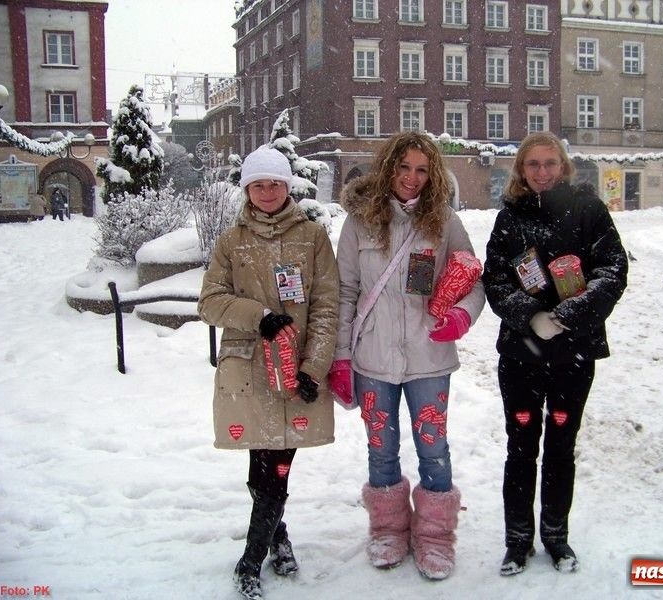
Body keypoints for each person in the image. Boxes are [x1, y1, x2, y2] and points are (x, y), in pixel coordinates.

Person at [330, 132, 485, 580]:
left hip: (430, 359)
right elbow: (345, 291)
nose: (412, 179)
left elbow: (473, 279)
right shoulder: (359, 222)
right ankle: (389, 528)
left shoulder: (446, 221)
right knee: (382, 448)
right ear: (388, 168)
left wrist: (461, 316)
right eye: (403, 168)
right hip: (373, 358)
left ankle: (435, 535)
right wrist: (341, 358)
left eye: (421, 170)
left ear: (432, 174)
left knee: (433, 448)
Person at [482, 132, 628, 575]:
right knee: (521, 446)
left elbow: (613, 270)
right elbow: (496, 279)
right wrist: (529, 316)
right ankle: (518, 540)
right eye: (533, 165)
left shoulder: (589, 211)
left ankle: (556, 536)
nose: (542, 172)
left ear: (563, 166)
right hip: (522, 356)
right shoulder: (510, 219)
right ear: (521, 171)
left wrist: (569, 314)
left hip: (573, 355)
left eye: (550, 163)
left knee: (562, 446)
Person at [197, 146, 339, 600]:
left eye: (274, 183)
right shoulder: (231, 240)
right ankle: (277, 539)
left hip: (294, 366)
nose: (267, 191)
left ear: (287, 185)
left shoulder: (313, 235)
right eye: (257, 184)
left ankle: (250, 560)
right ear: (246, 189)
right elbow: (210, 301)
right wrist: (257, 315)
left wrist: (314, 366)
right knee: (260, 465)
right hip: (249, 368)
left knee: (277, 465)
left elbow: (326, 306)